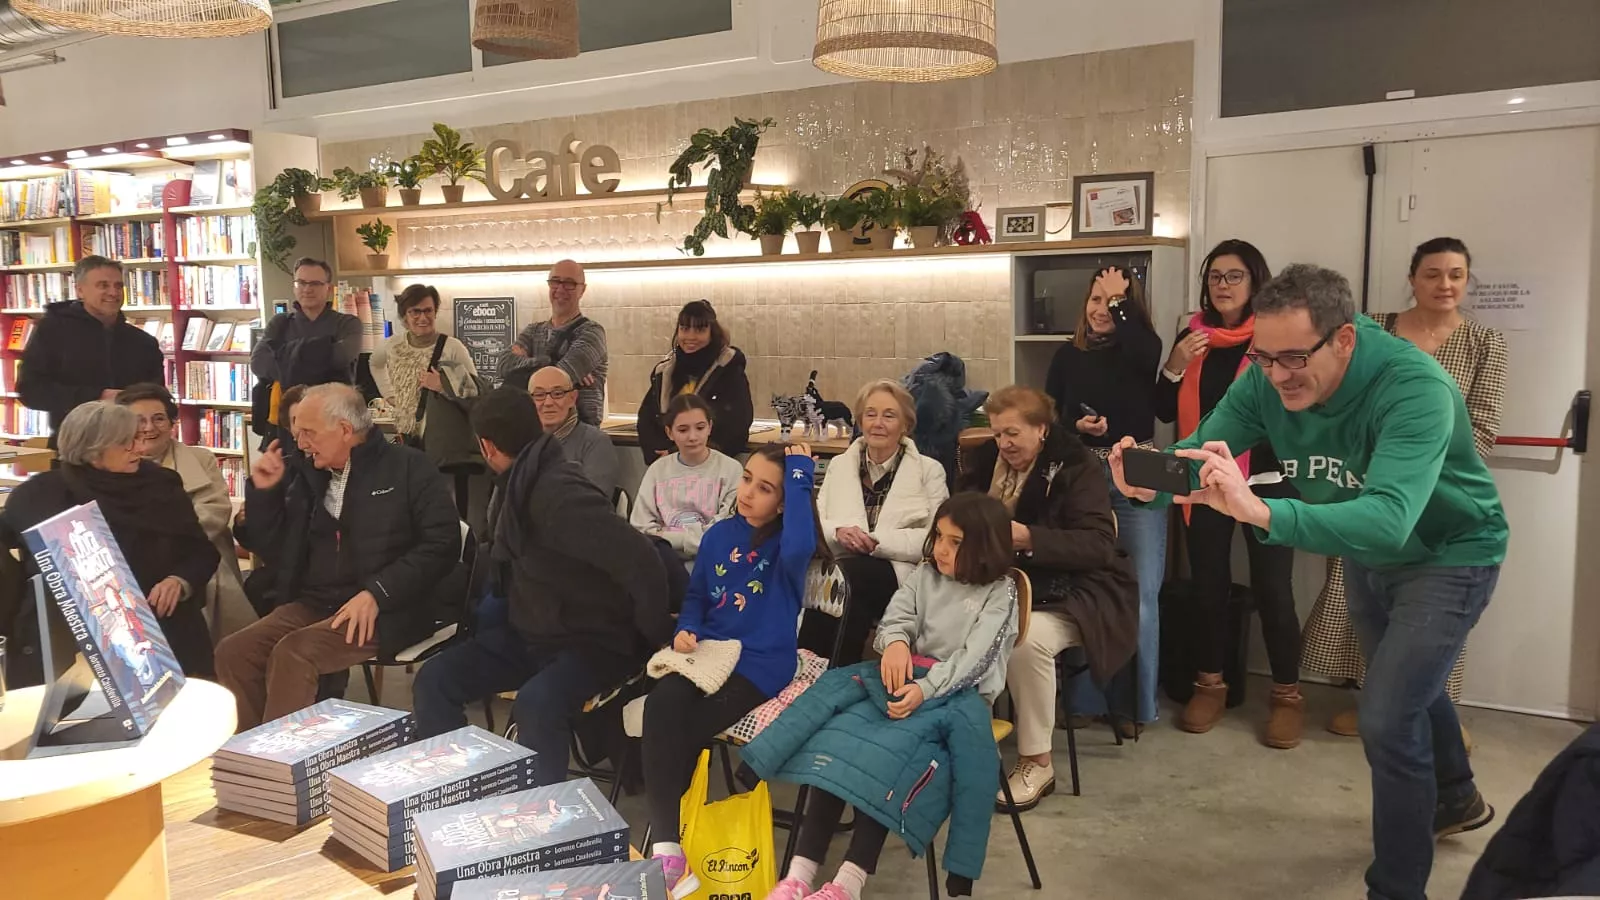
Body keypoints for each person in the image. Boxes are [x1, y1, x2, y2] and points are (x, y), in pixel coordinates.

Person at [1108, 264, 1507, 900]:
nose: (1277, 375)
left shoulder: (1414, 386)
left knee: (1386, 716)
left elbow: (1387, 519)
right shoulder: (1265, 378)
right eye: (1264, 358)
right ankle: (1455, 797)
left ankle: (1396, 890)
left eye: (1294, 357)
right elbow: (1200, 457)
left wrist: (1262, 512)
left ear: (1344, 339)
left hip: (1449, 552)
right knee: (1407, 687)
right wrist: (1144, 481)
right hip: (1374, 558)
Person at [749, 493, 1019, 900]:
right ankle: (797, 878)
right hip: (904, 682)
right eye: (940, 537)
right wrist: (893, 643)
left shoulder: (1002, 593)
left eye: (956, 542)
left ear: (987, 547)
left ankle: (846, 885)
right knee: (840, 745)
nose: (942, 549)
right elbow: (897, 617)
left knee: (885, 759)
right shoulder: (926, 575)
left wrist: (924, 689)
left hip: (958, 698)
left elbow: (974, 662)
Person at [411, 387, 673, 783]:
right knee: (435, 679)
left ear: (486, 446)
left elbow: (643, 559)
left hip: (593, 642)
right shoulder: (516, 485)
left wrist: (657, 640)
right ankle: (456, 792)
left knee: (537, 703)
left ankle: (545, 825)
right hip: (535, 632)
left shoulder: (558, 493)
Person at [1304, 237, 1508, 738]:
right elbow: (1342, 405)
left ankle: (1425, 716)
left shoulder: (1486, 343)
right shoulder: (1377, 330)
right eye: (1433, 274)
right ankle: (1376, 703)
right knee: (1368, 610)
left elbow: (1482, 426)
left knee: (1429, 621)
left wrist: (1414, 475)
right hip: (1366, 493)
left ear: (1467, 280)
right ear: (1413, 278)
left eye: (1456, 275)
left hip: (1444, 505)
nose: (1445, 284)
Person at [216, 384, 459, 730]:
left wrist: (378, 592)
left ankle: (282, 768)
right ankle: (254, 754)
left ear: (345, 430)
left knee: (295, 653)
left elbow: (442, 544)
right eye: (297, 433)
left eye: (308, 433)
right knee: (235, 651)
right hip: (316, 601)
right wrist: (264, 493)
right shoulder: (307, 474)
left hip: (390, 607)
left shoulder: (408, 467)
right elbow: (274, 548)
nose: (300, 443)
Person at [642, 442, 819, 898]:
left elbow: (803, 541)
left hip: (762, 662)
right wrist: (687, 628)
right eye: (746, 479)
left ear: (782, 501)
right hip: (710, 652)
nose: (748, 493)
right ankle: (667, 847)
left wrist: (801, 472)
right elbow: (697, 595)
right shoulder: (719, 535)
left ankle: (675, 843)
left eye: (765, 489)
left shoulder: (788, 547)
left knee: (689, 726)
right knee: (661, 704)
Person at [957, 386, 1138, 812]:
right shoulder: (985, 462)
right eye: (998, 434)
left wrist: (1028, 538)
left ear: (1041, 429)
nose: (1004, 444)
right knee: (944, 621)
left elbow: (1098, 545)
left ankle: (1037, 762)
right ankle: (964, 741)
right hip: (1002, 585)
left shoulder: (1077, 466)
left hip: (1078, 590)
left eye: (1013, 434)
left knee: (1026, 639)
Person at [1153, 239, 1304, 747]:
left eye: (1234, 276)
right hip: (1203, 480)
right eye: (1216, 276)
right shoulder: (1192, 335)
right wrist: (1174, 364)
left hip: (1266, 481)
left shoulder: (1275, 334)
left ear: (1256, 280)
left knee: (1274, 592)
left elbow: (1298, 400)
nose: (1223, 285)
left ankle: (1286, 696)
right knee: (1208, 586)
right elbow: (1162, 407)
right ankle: (1210, 685)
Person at [1, 401, 219, 675]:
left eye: (137, 439)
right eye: (126, 443)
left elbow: (202, 551)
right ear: (93, 451)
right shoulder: (41, 496)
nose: (140, 449)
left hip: (161, 624)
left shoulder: (161, 484)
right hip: (71, 633)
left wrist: (180, 580)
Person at [1042, 265, 1166, 729]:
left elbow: (1143, 351)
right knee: (1084, 586)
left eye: (1113, 301)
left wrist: (1121, 302)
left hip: (1140, 467)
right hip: (1085, 471)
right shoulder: (1066, 356)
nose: (1101, 310)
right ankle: (1085, 700)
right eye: (1095, 299)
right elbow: (1050, 419)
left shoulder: (1142, 348)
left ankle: (1133, 704)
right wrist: (1075, 426)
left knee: (1141, 593)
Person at [810, 379, 948, 666]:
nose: (878, 423)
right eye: (870, 414)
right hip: (843, 570)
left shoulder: (929, 471)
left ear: (905, 425)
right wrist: (839, 531)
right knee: (844, 585)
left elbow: (936, 539)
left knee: (848, 577)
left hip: (900, 575)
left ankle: (822, 674)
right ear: (860, 421)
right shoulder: (838, 466)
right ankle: (823, 671)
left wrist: (876, 543)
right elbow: (818, 522)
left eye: (889, 415)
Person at [116, 382, 251, 639]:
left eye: (158, 419)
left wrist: (168, 551)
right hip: (134, 558)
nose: (148, 428)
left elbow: (214, 513)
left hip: (196, 551)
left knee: (207, 576)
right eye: (138, 421)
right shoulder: (113, 464)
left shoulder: (200, 459)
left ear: (171, 423)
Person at [17, 256, 163, 447]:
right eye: (103, 285)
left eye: (118, 286)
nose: (113, 292)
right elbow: (31, 391)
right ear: (80, 290)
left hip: (133, 446)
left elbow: (158, 395)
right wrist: (98, 397)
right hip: (75, 448)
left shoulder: (143, 342)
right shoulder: (53, 332)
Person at [370, 283, 483, 467]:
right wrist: (389, 394)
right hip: (406, 437)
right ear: (405, 316)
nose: (423, 317)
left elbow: (475, 395)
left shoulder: (452, 347)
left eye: (428, 310)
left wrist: (442, 386)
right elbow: (375, 363)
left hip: (443, 444)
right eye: (415, 311)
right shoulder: (392, 345)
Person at [250, 258, 362, 441]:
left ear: (329, 288)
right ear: (294, 286)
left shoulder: (347, 324)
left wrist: (286, 355)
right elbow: (259, 364)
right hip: (286, 428)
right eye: (301, 282)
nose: (307, 289)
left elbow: (341, 357)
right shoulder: (280, 323)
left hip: (334, 423)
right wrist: (322, 350)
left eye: (315, 283)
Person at [635, 300, 753, 461]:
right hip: (667, 468)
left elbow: (736, 426)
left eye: (699, 330)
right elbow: (647, 419)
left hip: (712, 467)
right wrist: (658, 455)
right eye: (684, 329)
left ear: (712, 333)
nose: (690, 336)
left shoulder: (728, 370)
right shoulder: (666, 371)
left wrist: (678, 453)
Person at [630, 394, 742, 560]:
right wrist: (689, 540)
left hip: (713, 559)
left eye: (700, 428)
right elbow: (640, 527)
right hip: (665, 561)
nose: (692, 437)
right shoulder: (658, 470)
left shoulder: (731, 469)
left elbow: (725, 530)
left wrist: (667, 536)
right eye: (683, 430)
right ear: (669, 432)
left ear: (710, 427)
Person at [501, 259, 608, 425]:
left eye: (569, 283)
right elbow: (503, 366)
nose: (560, 288)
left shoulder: (592, 333)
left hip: (577, 434)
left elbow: (557, 380)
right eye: (555, 281)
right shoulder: (533, 330)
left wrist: (525, 366)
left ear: (582, 290)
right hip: (535, 430)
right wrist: (550, 363)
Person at [528, 365, 618, 500]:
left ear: (572, 398)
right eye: (539, 395)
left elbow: (593, 505)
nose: (548, 402)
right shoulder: (522, 442)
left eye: (557, 394)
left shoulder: (595, 443)